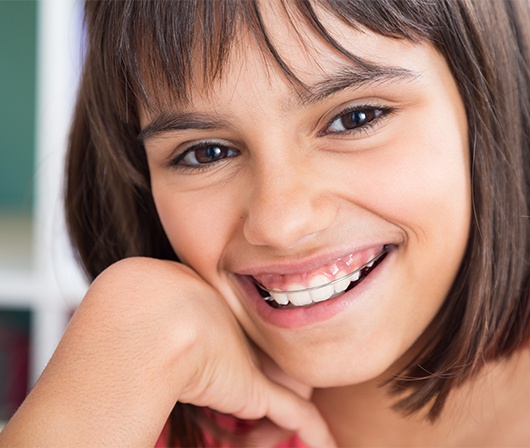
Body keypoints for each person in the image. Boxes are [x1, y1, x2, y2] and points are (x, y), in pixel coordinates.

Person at [1, 0, 529, 446]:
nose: (281, 222)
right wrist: (122, 352)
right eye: (205, 152)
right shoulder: (131, 409)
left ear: (490, 101)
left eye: (356, 118)